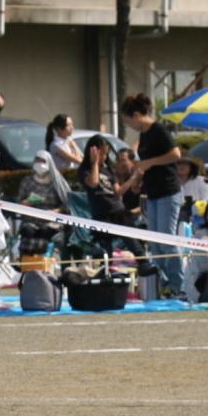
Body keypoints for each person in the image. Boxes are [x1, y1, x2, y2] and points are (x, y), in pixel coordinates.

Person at [121, 93, 183, 295]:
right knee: (155, 246)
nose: (129, 125)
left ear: (137, 115)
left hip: (168, 192)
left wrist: (150, 162)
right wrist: (139, 179)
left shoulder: (158, 130)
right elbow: (145, 165)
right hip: (153, 194)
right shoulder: (144, 135)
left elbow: (176, 154)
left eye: (128, 120)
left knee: (167, 242)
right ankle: (164, 285)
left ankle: (178, 286)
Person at [79, 135, 156, 275]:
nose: (104, 157)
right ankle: (105, 271)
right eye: (101, 153)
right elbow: (94, 183)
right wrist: (94, 163)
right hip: (101, 213)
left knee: (130, 237)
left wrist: (133, 178)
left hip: (117, 210)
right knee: (104, 249)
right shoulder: (85, 170)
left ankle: (143, 262)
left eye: (105, 153)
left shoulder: (108, 170)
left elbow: (118, 192)